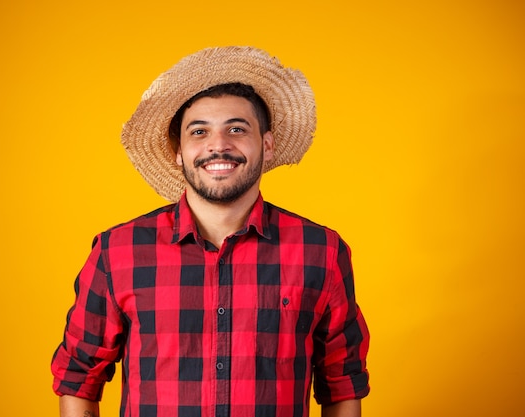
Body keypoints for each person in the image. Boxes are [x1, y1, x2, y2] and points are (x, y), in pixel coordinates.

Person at [51, 46, 370, 417]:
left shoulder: (321, 251)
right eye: (199, 132)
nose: (218, 145)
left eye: (237, 129)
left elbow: (343, 383)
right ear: (179, 152)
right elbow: (78, 378)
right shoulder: (118, 251)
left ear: (266, 146)